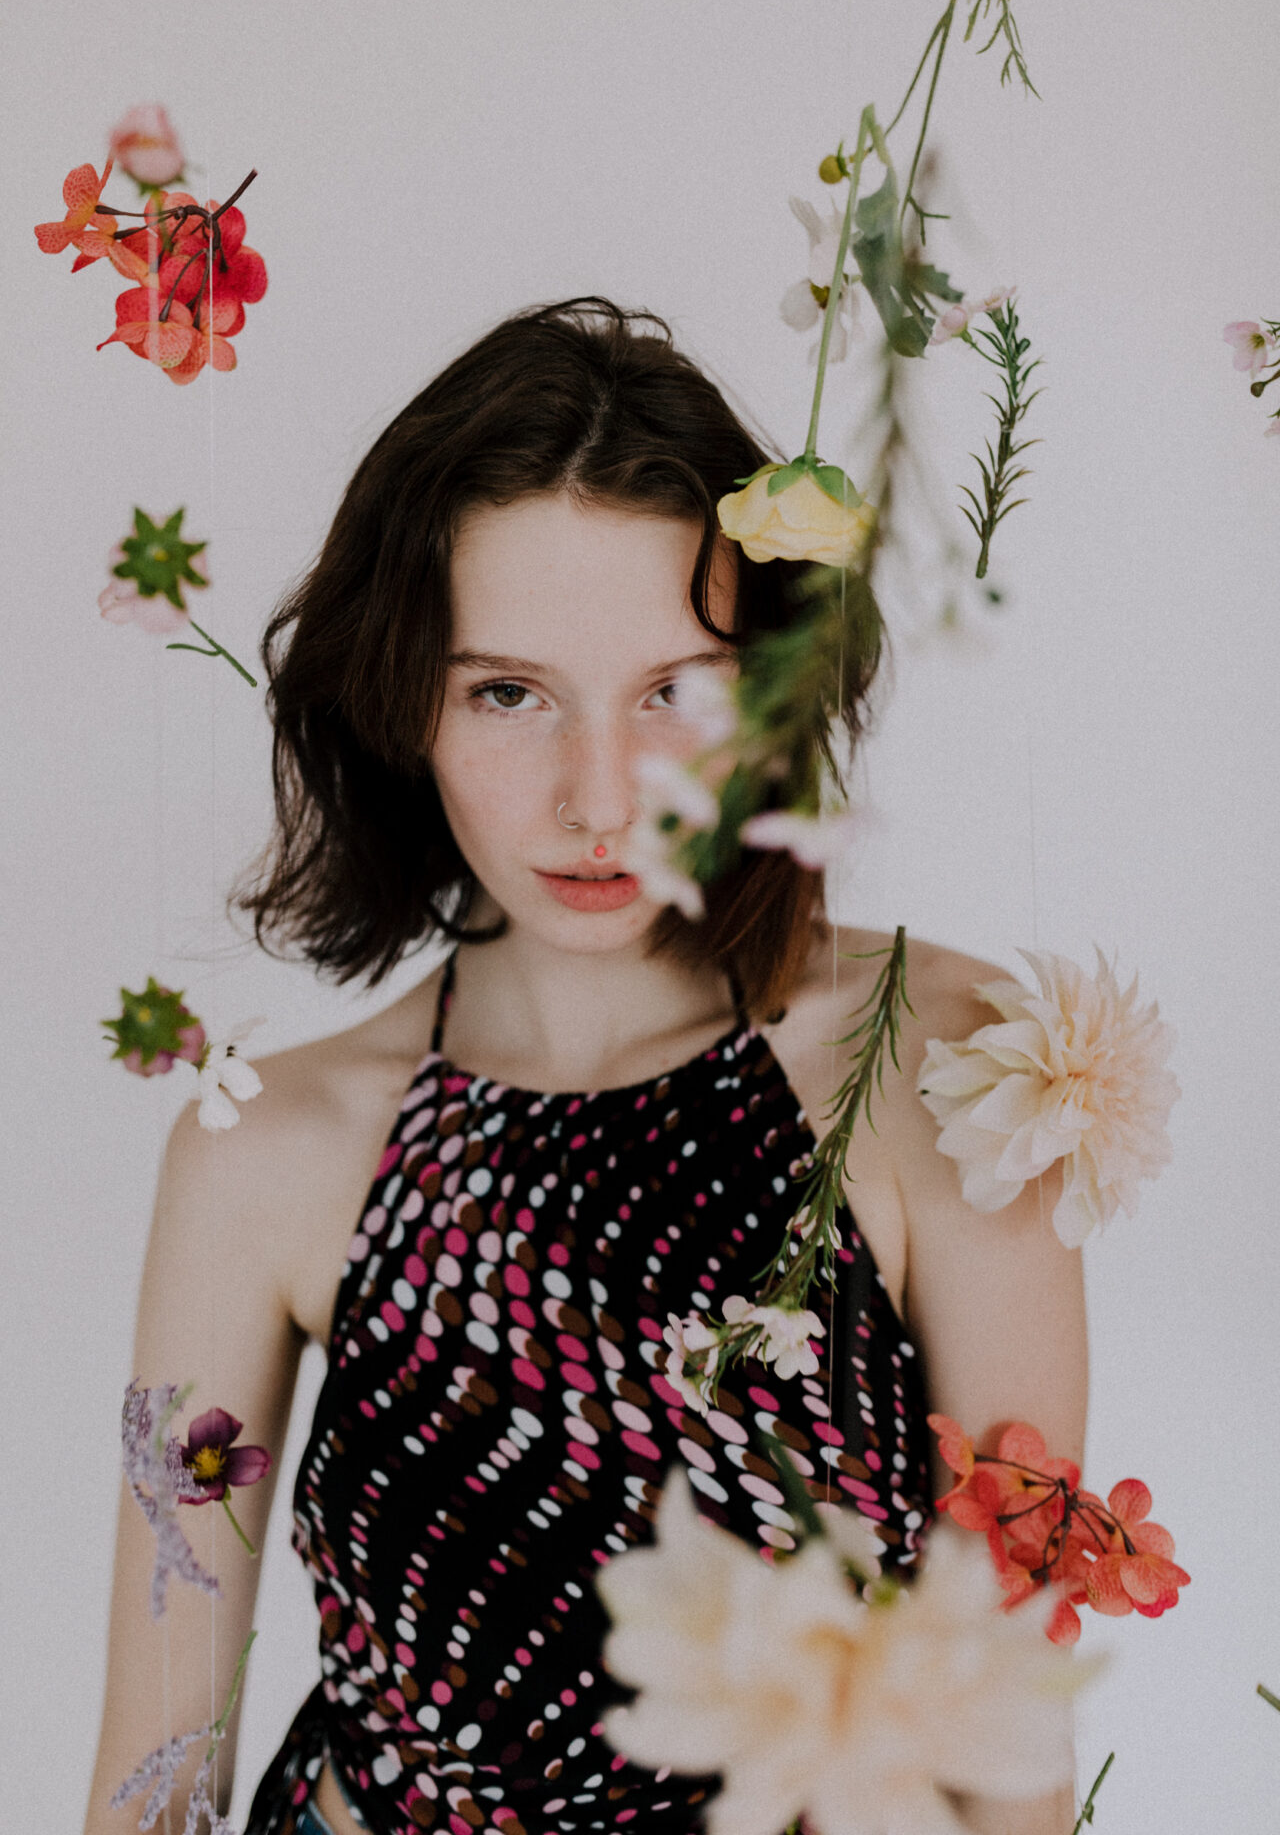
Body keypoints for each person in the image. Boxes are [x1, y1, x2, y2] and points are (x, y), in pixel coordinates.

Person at [84, 298, 1087, 1835]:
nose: (597, 798)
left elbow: (1006, 1747)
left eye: (672, 690)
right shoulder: (267, 1152)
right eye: (509, 693)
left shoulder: (944, 1065)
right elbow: (153, 1791)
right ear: (404, 696)